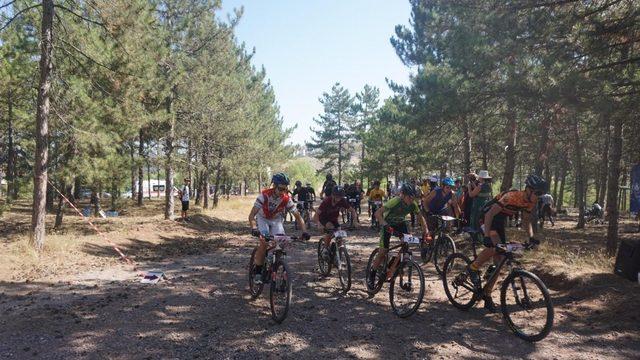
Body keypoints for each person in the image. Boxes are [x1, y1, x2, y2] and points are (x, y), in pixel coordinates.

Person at [467, 174, 547, 311]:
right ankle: (473, 267)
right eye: (538, 193)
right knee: (494, 247)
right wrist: (486, 236)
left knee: (500, 261)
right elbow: (490, 214)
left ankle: (487, 294)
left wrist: (531, 237)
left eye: (542, 194)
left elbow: (526, 221)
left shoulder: (531, 201)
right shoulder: (512, 196)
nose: (539, 196)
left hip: (499, 222)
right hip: (486, 217)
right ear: (528, 190)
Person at [248, 173, 310, 284]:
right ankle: (258, 271)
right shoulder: (264, 196)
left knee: (281, 243)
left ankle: (276, 265)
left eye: (286, 189)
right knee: (264, 241)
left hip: (276, 220)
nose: (283, 192)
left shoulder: (286, 198)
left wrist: (304, 231)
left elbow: (298, 217)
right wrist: (254, 227)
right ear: (274, 186)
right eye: (281, 188)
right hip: (262, 218)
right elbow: (252, 215)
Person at [368, 183, 428, 288]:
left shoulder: (413, 204)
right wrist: (385, 225)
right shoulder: (395, 201)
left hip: (401, 223)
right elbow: (377, 213)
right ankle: (371, 275)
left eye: (412, 197)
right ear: (403, 195)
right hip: (388, 224)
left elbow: (420, 218)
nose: (411, 199)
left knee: (406, 246)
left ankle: (394, 266)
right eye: (409, 197)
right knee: (383, 251)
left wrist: (425, 231)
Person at [314, 186, 359, 259]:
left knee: (339, 234)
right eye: (337, 196)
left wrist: (355, 221)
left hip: (334, 219)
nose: (339, 199)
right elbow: (316, 215)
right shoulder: (326, 201)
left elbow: (352, 210)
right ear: (333, 195)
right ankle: (325, 249)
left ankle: (337, 255)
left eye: (340, 197)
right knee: (330, 228)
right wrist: (319, 224)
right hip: (324, 218)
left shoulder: (342, 201)